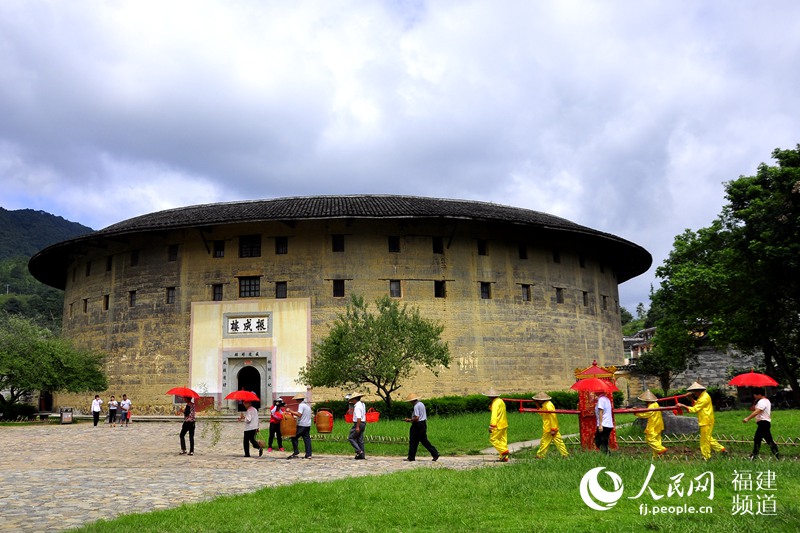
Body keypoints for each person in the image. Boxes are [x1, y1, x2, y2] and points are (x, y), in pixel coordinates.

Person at [680, 381, 727, 459]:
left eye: (694, 392)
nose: (694, 394)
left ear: (698, 390)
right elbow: (697, 404)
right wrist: (690, 398)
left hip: (706, 420)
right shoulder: (702, 396)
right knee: (707, 438)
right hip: (706, 419)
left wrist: (683, 406)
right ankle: (721, 449)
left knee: (704, 440)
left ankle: (706, 456)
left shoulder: (704, 398)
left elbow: (695, 409)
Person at [743, 387, 780, 460]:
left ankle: (754, 456)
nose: (754, 396)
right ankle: (776, 455)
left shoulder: (762, 402)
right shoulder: (765, 401)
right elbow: (756, 409)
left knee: (758, 439)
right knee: (767, 440)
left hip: (763, 423)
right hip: (764, 423)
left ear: (759, 394)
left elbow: (757, 411)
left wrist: (747, 418)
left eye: (755, 395)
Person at [403, 393, 440, 462]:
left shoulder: (416, 406)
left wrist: (409, 420)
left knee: (413, 440)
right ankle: (435, 453)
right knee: (423, 440)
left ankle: (411, 457)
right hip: (423, 424)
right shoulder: (421, 404)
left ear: (412, 401)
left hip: (417, 425)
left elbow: (417, 417)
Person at [531, 392, 568, 459]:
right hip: (549, 427)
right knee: (556, 441)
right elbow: (542, 413)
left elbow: (552, 417)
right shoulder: (545, 405)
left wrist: (553, 429)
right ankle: (564, 454)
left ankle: (540, 455)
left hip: (550, 427)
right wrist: (537, 406)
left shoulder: (548, 406)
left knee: (545, 442)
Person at [633, 390, 667, 459]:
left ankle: (661, 449)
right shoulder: (656, 404)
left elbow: (647, 414)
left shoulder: (651, 406)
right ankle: (657, 457)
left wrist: (636, 413)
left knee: (650, 439)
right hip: (658, 424)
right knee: (657, 440)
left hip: (653, 425)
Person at [285, 393, 312, 459]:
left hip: (302, 425)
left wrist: (290, 411)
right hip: (307, 425)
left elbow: (299, 414)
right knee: (307, 439)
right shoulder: (307, 406)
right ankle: (308, 454)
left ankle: (296, 451)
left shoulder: (301, 405)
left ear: (298, 400)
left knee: (294, 437)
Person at [485, 389, 509, 462]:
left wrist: (492, 426)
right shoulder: (501, 401)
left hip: (498, 424)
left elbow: (494, 415)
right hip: (504, 423)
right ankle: (504, 457)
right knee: (503, 441)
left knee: (493, 439)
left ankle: (504, 451)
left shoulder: (495, 403)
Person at [348, 392, 367, 460]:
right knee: (360, 439)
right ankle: (362, 455)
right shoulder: (362, 404)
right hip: (363, 423)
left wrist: (357, 427)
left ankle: (359, 451)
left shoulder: (357, 407)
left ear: (355, 399)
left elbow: (358, 417)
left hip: (359, 423)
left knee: (351, 438)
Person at [594, 389, 614, 454]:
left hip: (604, 424)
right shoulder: (606, 399)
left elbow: (601, 412)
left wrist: (600, 425)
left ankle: (607, 455)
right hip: (608, 424)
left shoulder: (601, 400)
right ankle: (607, 454)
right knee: (604, 441)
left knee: (599, 441)